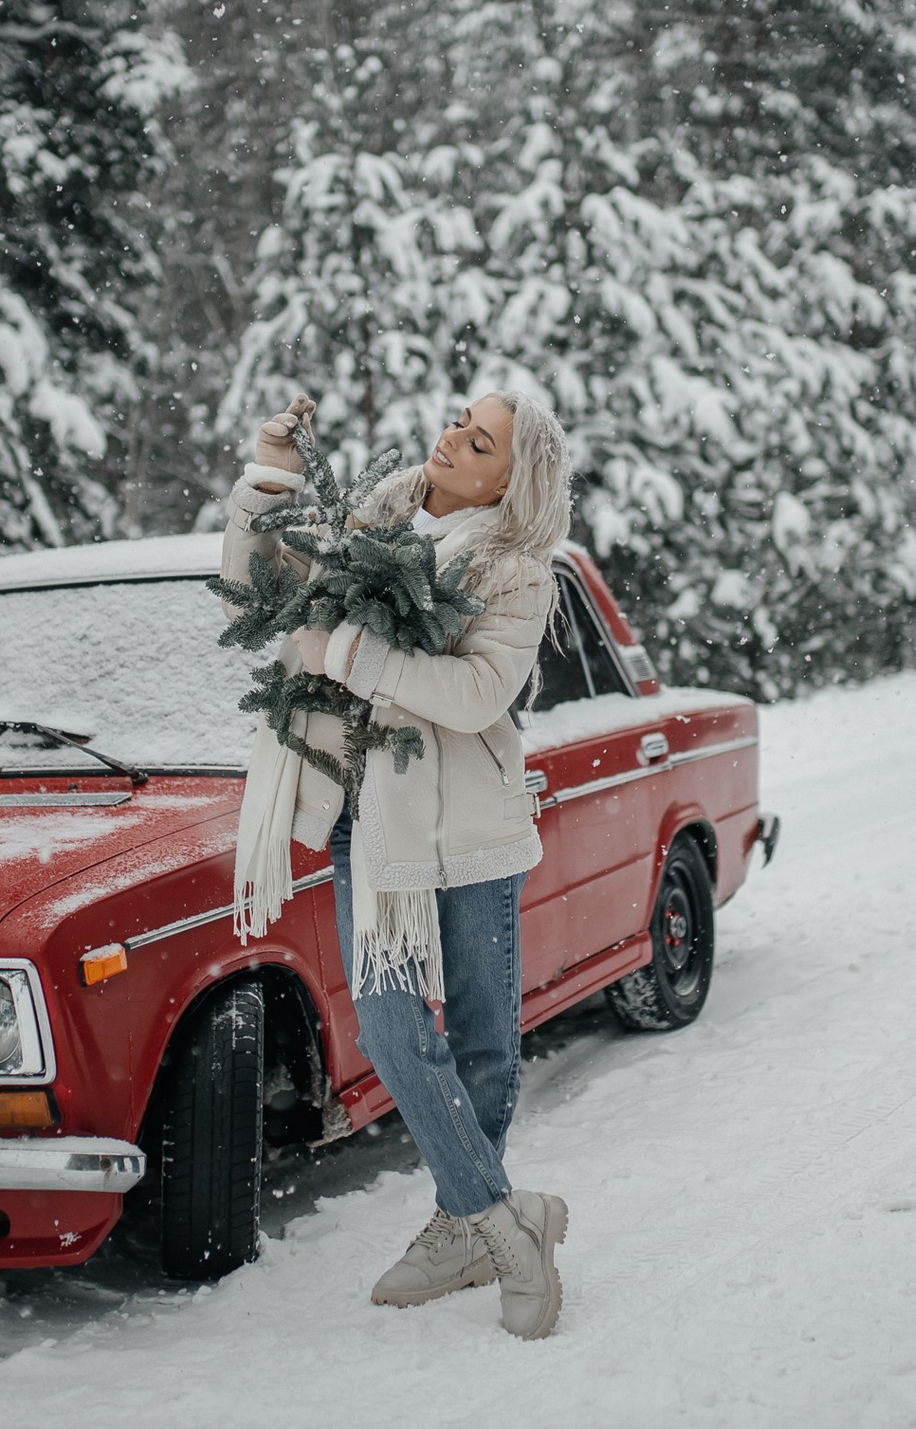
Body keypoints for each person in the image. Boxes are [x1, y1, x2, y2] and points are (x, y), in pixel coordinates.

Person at [220, 388, 574, 1340]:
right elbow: (264, 587)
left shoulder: (516, 565)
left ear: (513, 476)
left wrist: (353, 655)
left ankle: (462, 1220)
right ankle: (507, 1227)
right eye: (462, 416)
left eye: (482, 437)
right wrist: (271, 474)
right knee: (386, 1027)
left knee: (485, 1040)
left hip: (467, 827)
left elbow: (477, 689)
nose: (455, 433)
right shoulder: (377, 508)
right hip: (368, 816)